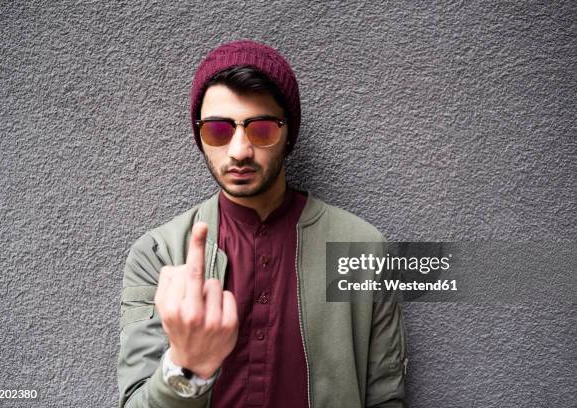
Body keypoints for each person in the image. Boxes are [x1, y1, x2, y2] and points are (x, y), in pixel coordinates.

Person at [117, 40, 407, 408]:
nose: (239, 150)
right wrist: (186, 368)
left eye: (263, 129)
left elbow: (386, 397)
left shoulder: (364, 249)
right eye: (218, 130)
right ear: (199, 135)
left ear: (288, 135)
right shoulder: (158, 256)